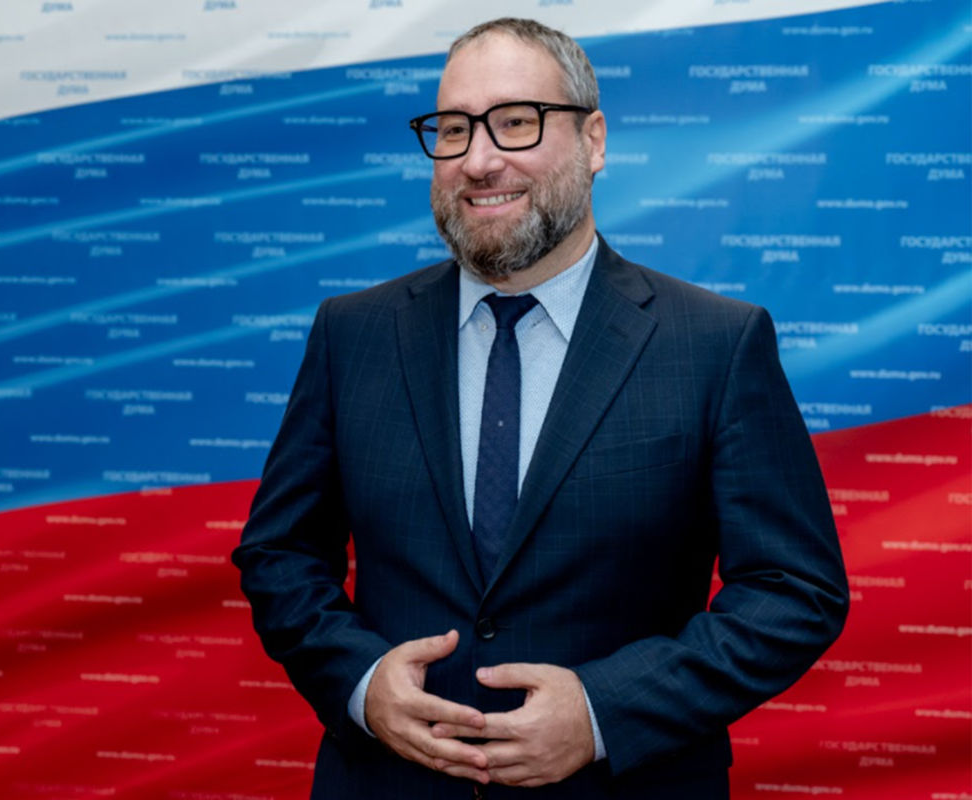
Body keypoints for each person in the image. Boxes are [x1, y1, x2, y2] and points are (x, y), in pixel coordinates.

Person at [232, 17, 848, 799]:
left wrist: (602, 712)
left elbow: (794, 590)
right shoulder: (352, 334)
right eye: (453, 129)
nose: (478, 160)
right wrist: (360, 682)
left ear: (594, 141)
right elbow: (279, 553)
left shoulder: (715, 343)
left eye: (516, 122)